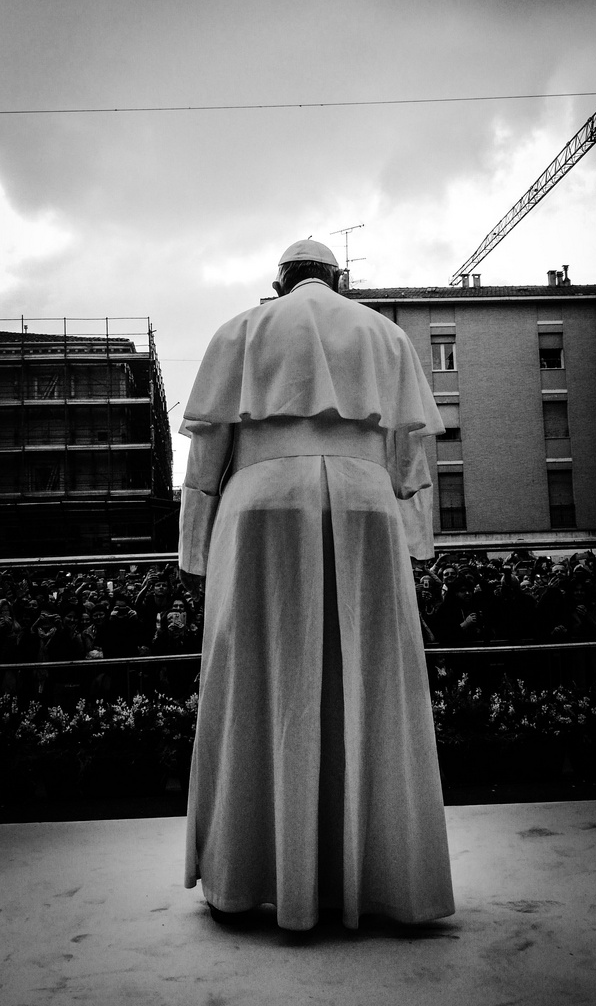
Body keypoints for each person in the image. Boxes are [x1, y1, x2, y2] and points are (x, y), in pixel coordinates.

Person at [179, 239, 454, 931]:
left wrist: (195, 551)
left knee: (252, 681)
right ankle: (385, 880)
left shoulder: (240, 330)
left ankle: (248, 880)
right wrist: (418, 542)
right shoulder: (384, 336)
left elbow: (206, 457)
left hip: (259, 505)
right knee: (376, 680)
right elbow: (409, 459)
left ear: (279, 279)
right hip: (366, 506)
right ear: (340, 278)